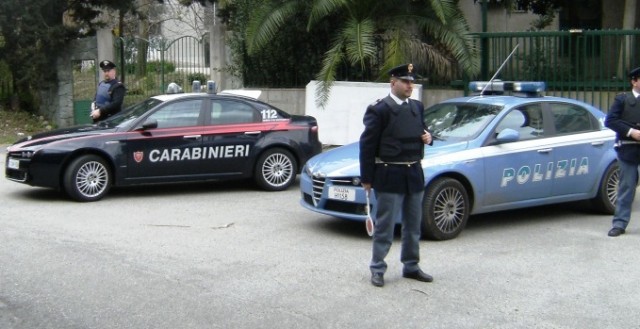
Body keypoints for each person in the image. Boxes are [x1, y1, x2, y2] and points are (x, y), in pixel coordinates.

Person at [359, 63, 433, 287]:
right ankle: (378, 268)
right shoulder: (379, 109)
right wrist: (367, 179)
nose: (410, 85)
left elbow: (422, 130)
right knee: (385, 226)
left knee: (413, 225)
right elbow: (367, 146)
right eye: (405, 81)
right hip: (389, 173)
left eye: (412, 81)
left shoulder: (417, 107)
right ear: (393, 83)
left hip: (413, 173)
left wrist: (429, 137)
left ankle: (411, 266)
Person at [604, 66, 640, 237]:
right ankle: (619, 223)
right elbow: (610, 121)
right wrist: (632, 132)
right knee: (626, 187)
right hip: (629, 149)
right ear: (634, 81)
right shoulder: (623, 99)